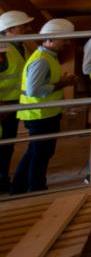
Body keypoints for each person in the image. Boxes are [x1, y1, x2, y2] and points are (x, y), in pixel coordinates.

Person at [12, 19, 76, 194]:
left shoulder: (47, 57)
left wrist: (61, 82)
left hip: (43, 113)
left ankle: (19, 187)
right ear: (52, 38)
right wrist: (61, 85)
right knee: (40, 154)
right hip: (40, 115)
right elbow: (34, 90)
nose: (67, 43)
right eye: (65, 39)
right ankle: (36, 188)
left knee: (36, 152)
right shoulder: (41, 60)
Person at [0, 10, 34, 191]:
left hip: (14, 104)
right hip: (3, 105)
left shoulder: (19, 46)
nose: (28, 29)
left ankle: (3, 178)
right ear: (10, 29)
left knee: (7, 144)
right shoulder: (2, 49)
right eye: (23, 26)